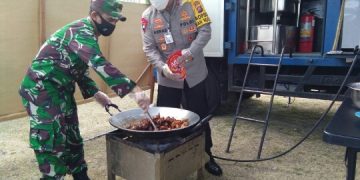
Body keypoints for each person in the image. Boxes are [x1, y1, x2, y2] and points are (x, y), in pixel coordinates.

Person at [18, 0, 150, 179]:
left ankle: (81, 176)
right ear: (95, 15)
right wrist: (135, 90)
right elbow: (99, 63)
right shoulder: (80, 31)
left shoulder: (90, 33)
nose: (113, 24)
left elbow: (77, 67)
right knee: (52, 141)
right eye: (110, 19)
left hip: (62, 90)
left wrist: (96, 93)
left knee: (73, 138)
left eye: (116, 21)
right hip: (41, 90)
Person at [141, 0, 222, 176]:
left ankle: (206, 155)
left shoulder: (194, 4)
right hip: (168, 76)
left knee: (200, 115)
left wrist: (190, 52)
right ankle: (167, 158)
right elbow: (149, 48)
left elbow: (205, 31)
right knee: (165, 119)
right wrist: (163, 68)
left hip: (195, 73)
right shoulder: (147, 16)